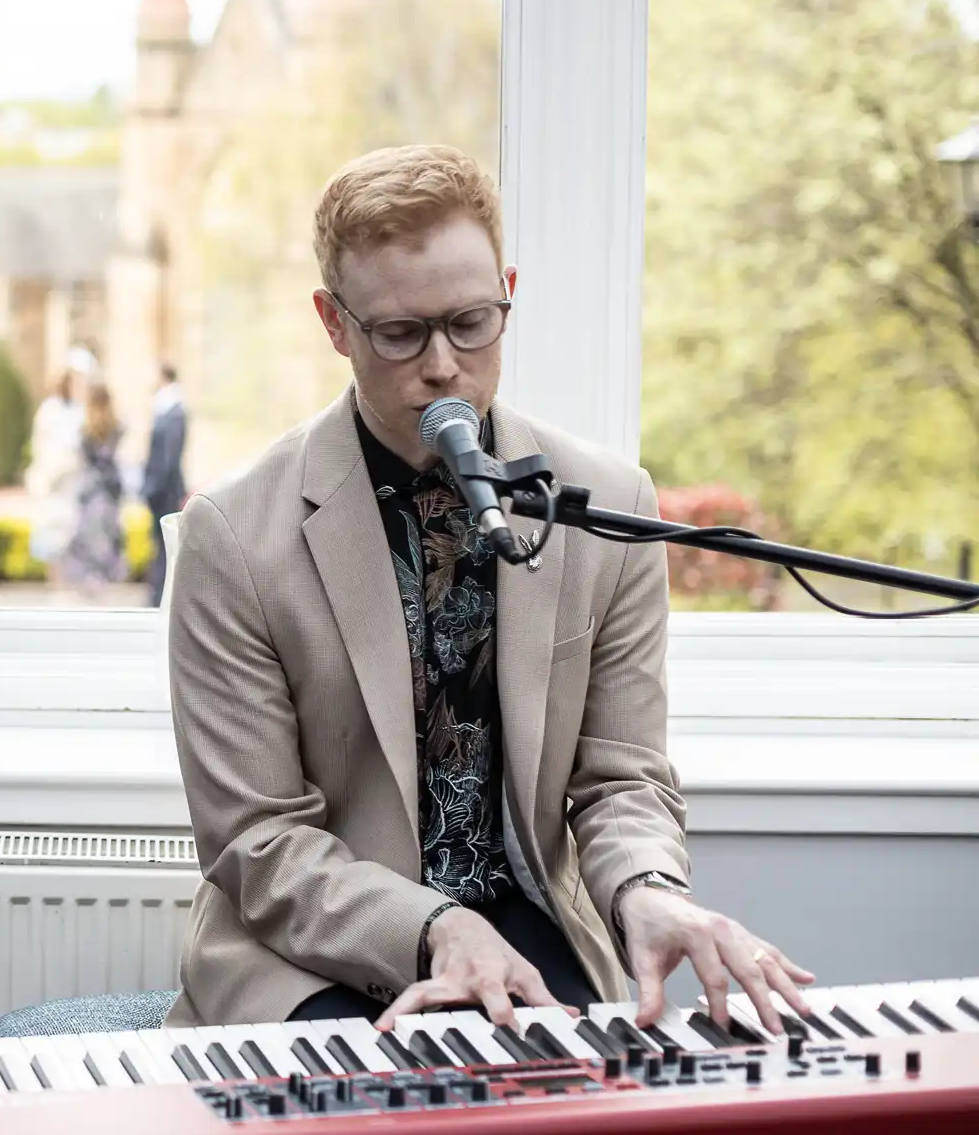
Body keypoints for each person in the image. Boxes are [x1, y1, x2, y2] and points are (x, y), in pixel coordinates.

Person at [163, 145, 814, 1040]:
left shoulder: (609, 505)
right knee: (374, 1099)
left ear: (507, 293)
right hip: (309, 946)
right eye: (401, 333)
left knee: (599, 1087)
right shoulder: (233, 535)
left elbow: (623, 777)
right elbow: (257, 840)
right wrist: (434, 925)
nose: (443, 365)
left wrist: (648, 889)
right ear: (334, 323)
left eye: (472, 323)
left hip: (526, 922)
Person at [59, 381, 129, 595]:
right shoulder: (117, 428)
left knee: (89, 539)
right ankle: (103, 580)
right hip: (109, 492)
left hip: (92, 493)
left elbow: (82, 462)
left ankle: (92, 581)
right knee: (106, 537)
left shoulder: (84, 431)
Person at [26, 350, 94, 569]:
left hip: (74, 486)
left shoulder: (81, 410)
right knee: (52, 543)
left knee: (72, 545)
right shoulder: (50, 410)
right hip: (55, 484)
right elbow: (43, 446)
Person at [139, 363, 188, 607]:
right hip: (159, 490)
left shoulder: (174, 411)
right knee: (159, 546)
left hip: (164, 492)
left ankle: (159, 597)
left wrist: (155, 488)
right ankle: (156, 595)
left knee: (165, 546)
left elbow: (169, 459)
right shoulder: (164, 408)